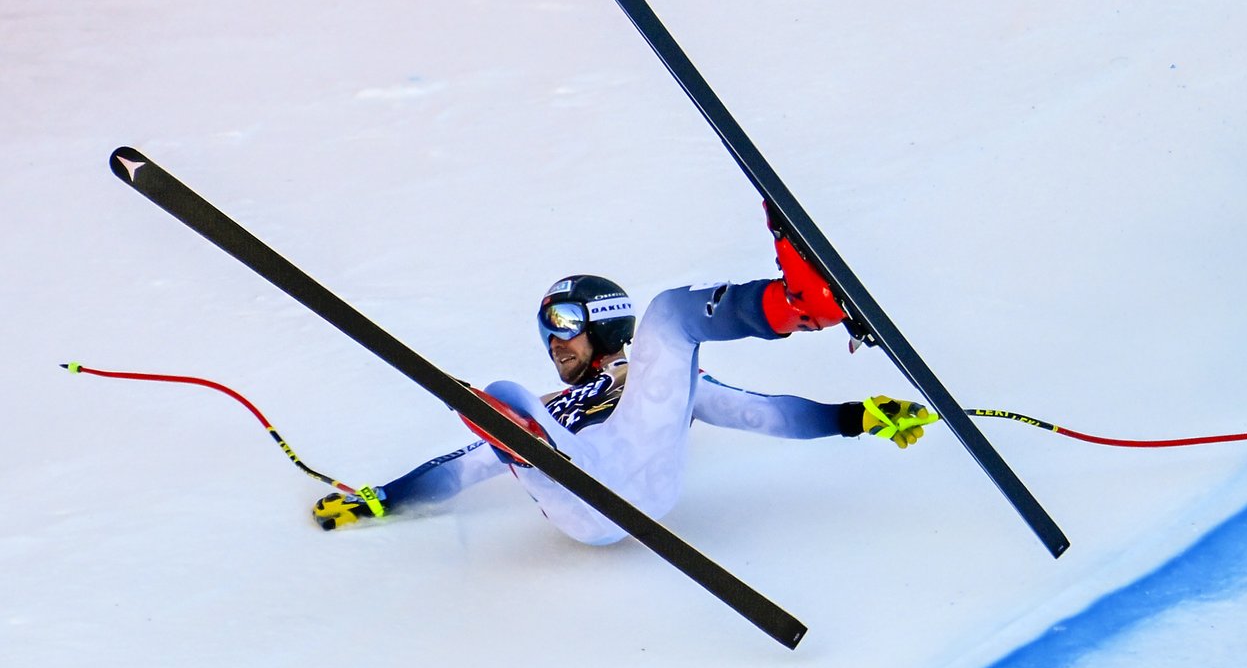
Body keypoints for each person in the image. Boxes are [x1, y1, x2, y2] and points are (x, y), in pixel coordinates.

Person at [312, 203, 938, 541]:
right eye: (545, 328)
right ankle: (525, 446)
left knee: (668, 314)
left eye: (563, 323)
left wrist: (855, 419)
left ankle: (807, 304)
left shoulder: (654, 384)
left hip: (644, 469)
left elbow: (761, 412)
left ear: (602, 320)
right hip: (580, 497)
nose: (553, 341)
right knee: (503, 394)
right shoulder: (552, 406)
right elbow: (459, 469)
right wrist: (383, 499)